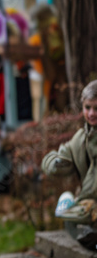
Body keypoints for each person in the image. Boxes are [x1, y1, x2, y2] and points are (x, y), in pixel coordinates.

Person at [43, 80, 97, 247]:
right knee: (71, 220)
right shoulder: (81, 137)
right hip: (90, 203)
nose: (92, 113)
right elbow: (62, 154)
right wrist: (54, 163)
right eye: (88, 108)